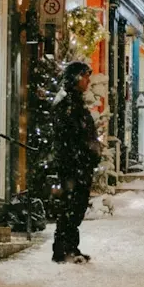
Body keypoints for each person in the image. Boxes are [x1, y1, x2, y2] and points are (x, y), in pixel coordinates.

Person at [52, 61, 101, 264]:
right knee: (71, 206)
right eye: (85, 76)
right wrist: (82, 155)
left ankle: (70, 247)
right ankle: (63, 250)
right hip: (73, 165)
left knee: (76, 206)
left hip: (79, 164)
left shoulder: (75, 103)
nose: (88, 80)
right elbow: (70, 136)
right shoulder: (68, 106)